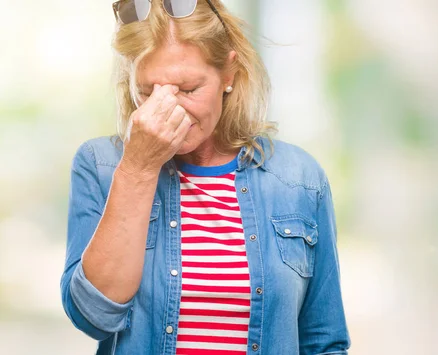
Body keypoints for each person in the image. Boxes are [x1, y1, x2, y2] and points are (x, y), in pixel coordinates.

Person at [60, 1, 350, 354]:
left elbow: (324, 341)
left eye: (188, 89)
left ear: (228, 74)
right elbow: (93, 316)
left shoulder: (298, 179)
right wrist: (138, 168)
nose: (167, 109)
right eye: (148, 91)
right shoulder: (101, 166)